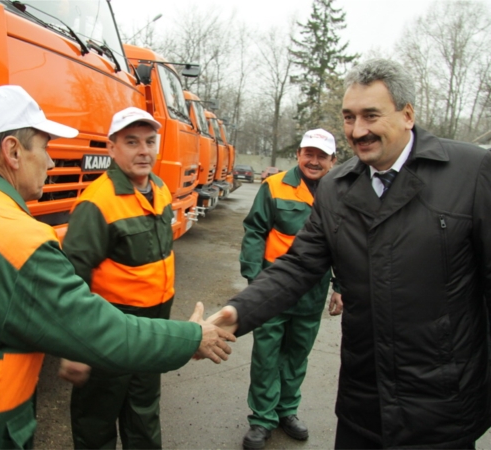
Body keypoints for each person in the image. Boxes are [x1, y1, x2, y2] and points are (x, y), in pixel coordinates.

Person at [0, 86, 235, 449]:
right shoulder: (21, 242)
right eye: (45, 147)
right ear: (12, 151)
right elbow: (103, 333)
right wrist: (193, 338)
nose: (52, 162)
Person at [208, 58, 491, 449]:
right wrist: (238, 312)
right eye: (348, 117)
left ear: (407, 115)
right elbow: (299, 265)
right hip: (363, 401)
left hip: (442, 404)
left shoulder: (470, 172)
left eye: (371, 116)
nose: (358, 131)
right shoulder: (336, 188)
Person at [59, 107, 178, 449]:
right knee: (96, 418)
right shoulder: (97, 203)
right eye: (131, 142)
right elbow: (74, 277)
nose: (144, 150)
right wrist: (75, 347)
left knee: (144, 411)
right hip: (110, 330)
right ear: (111, 149)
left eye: (150, 141)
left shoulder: (160, 189)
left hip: (154, 330)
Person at [240, 129, 342, 450]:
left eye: (321, 156)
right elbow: (255, 230)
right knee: (267, 355)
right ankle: (261, 419)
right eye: (308, 153)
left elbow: (344, 243)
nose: (314, 161)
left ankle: (287, 410)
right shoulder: (274, 186)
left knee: (297, 354)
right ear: (298, 154)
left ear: (332, 161)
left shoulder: (340, 194)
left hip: (312, 292)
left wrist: (341, 285)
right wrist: (254, 279)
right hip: (274, 287)